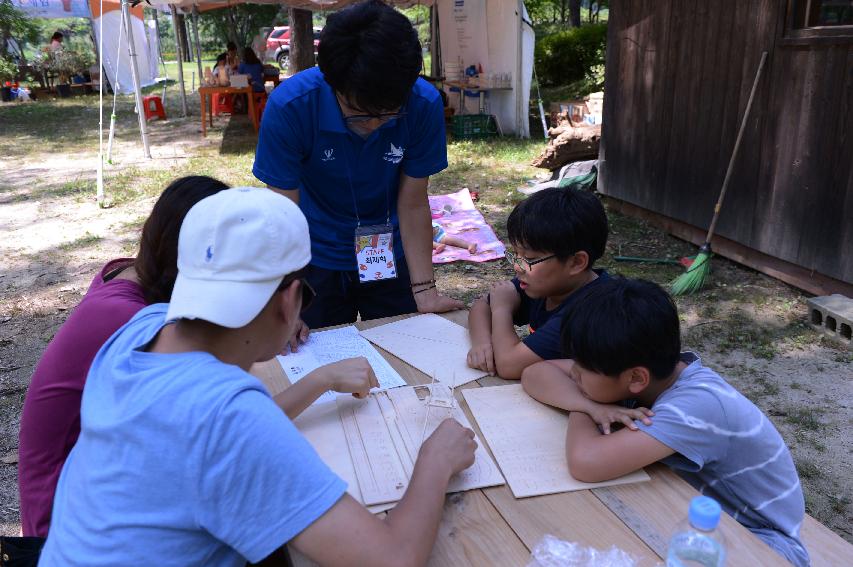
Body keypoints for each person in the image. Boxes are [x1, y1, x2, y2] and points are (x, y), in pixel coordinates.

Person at [39, 187, 478, 566]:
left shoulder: (142, 328)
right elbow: (392, 558)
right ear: (290, 301)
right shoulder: (228, 417)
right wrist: (435, 462)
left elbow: (210, 434)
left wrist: (317, 381)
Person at [520, 278, 809, 567]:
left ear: (636, 378)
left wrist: (585, 406)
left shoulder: (696, 406)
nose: (575, 374)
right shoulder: (639, 369)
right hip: (699, 517)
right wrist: (588, 403)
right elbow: (537, 372)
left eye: (583, 371)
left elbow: (585, 463)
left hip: (763, 545)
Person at [18, 176, 229, 538]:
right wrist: (320, 380)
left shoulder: (128, 273)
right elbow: (212, 429)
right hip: (65, 520)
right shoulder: (131, 319)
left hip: (89, 484)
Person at [253, 0, 463, 332]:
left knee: (409, 346)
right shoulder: (291, 107)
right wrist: (284, 300)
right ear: (333, 83)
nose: (377, 124)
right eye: (362, 113)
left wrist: (424, 290)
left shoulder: (422, 104)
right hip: (313, 257)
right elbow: (282, 216)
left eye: (391, 112)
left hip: (388, 254)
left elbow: (412, 203)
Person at [466, 188, 610, 379]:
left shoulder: (588, 314)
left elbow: (508, 365)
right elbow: (481, 306)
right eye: (516, 254)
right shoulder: (549, 283)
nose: (518, 267)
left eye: (529, 258)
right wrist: (482, 343)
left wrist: (501, 310)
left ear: (576, 262)